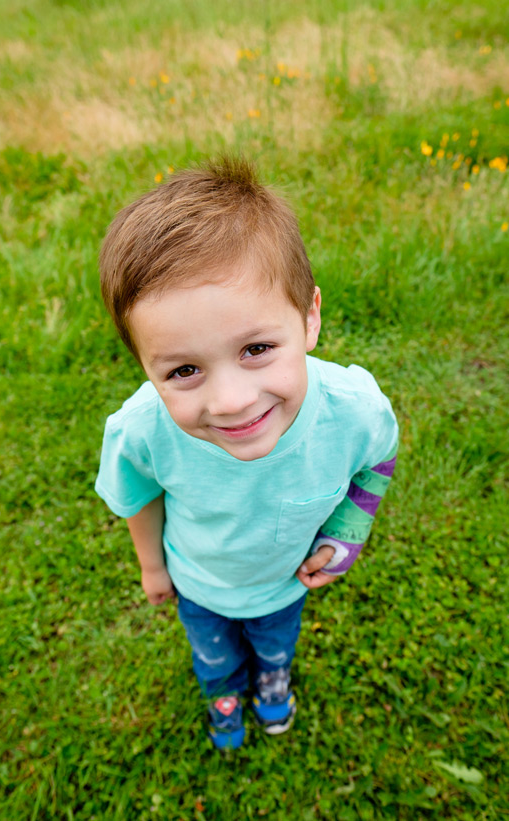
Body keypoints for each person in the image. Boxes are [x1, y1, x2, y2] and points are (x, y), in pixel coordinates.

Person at [95, 157, 398, 749]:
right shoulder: (142, 431)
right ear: (143, 365)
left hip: (284, 586)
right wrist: (153, 567)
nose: (231, 400)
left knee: (275, 643)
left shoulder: (355, 411)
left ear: (309, 317)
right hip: (199, 585)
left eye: (257, 348)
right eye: (183, 369)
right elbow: (138, 496)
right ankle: (224, 697)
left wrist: (350, 530)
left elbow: (377, 459)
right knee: (212, 657)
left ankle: (274, 683)